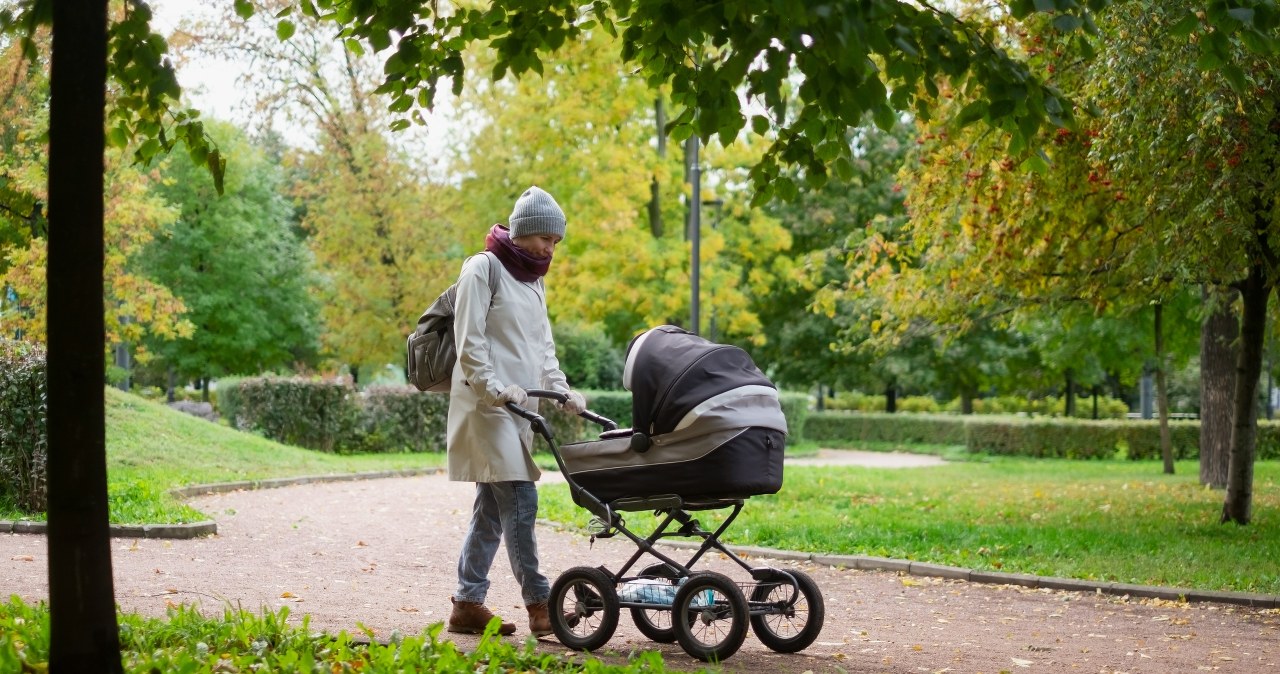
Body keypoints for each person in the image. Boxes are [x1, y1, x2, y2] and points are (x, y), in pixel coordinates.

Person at [445, 185, 587, 638]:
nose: (550, 248)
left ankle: (467, 603)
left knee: (491, 507)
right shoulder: (482, 269)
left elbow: (542, 348)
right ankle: (540, 603)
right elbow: (469, 342)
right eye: (545, 238)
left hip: (519, 407)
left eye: (556, 242)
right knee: (521, 499)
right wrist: (493, 389)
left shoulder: (534, 281)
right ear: (523, 231)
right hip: (486, 405)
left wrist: (561, 390)